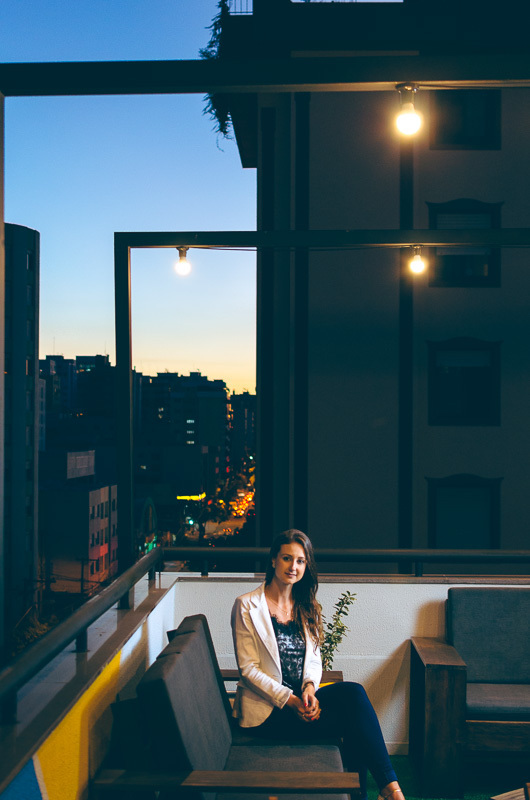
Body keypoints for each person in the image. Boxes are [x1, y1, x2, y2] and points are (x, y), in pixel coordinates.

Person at [231, 529, 405, 800]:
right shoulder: (246, 605)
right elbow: (249, 670)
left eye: (300, 561)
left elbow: (313, 659)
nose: (293, 567)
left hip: (301, 701)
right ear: (273, 560)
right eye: (287, 558)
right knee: (352, 721)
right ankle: (386, 790)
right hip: (267, 713)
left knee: (354, 693)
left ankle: (389, 788)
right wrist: (292, 701)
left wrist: (310, 689)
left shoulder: (307, 606)